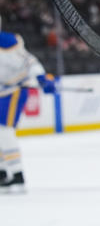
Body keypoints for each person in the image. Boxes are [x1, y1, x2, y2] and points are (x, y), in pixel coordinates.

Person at [0, 14, 59, 193]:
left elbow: (30, 61)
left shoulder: (9, 42)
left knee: (4, 129)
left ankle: (17, 174)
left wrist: (42, 77)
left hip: (13, 91)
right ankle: (3, 172)